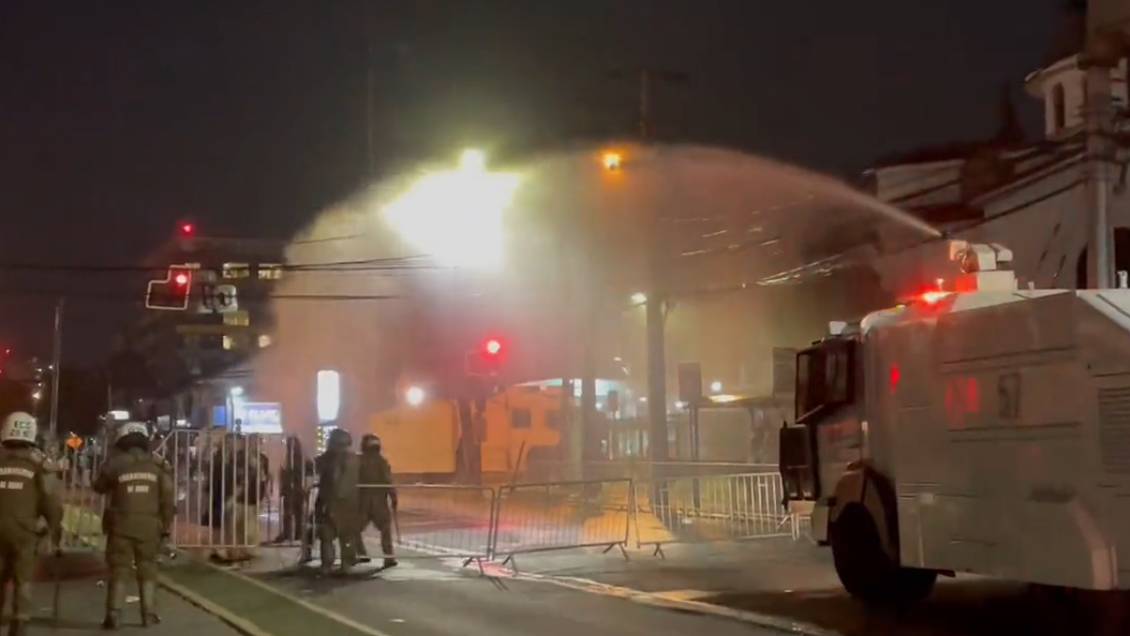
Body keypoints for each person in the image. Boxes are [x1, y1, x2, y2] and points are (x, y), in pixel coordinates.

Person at [94, 421, 174, 630]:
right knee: (148, 569)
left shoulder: (115, 464)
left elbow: (98, 487)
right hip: (149, 526)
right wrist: (165, 528)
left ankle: (114, 615)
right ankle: (148, 615)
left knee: (119, 569)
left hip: (121, 525)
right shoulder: (158, 465)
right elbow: (168, 499)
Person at [0, 412, 62, 636]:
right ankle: (19, 621)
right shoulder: (37, 464)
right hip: (25, 530)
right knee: (22, 577)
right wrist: (54, 528)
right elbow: (50, 500)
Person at [314, 428, 360, 575]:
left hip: (332, 502)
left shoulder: (332, 459)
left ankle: (327, 565)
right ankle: (345, 564)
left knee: (327, 535)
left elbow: (331, 480)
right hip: (349, 503)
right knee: (346, 536)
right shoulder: (354, 459)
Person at [357, 434, 398, 568]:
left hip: (363, 503)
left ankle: (361, 553)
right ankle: (389, 556)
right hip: (379, 502)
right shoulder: (382, 461)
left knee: (353, 529)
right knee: (385, 530)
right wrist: (393, 497)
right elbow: (388, 480)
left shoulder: (358, 461)